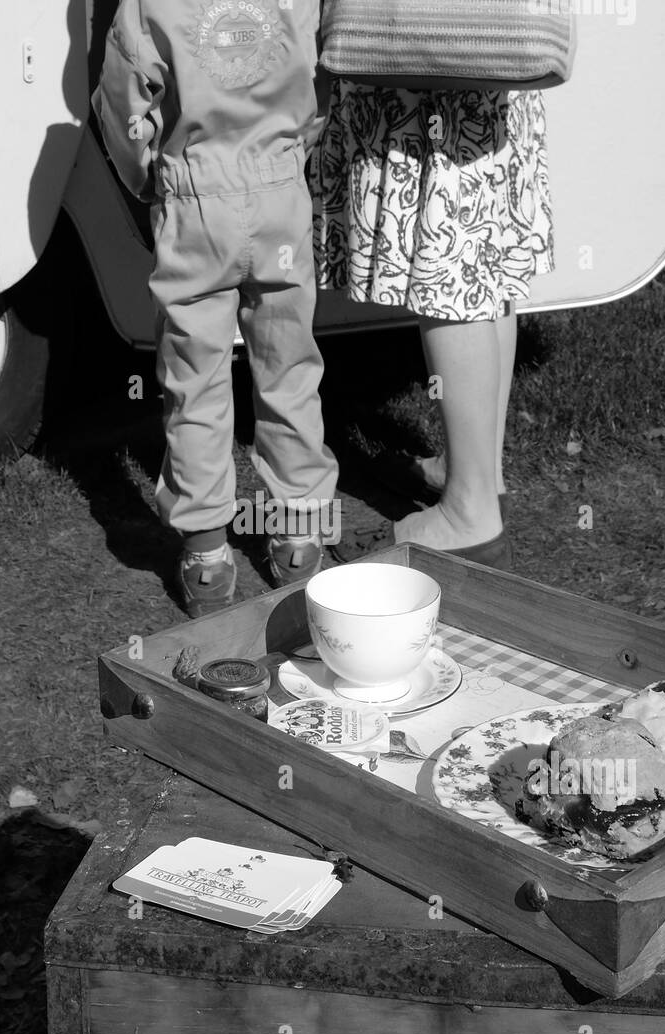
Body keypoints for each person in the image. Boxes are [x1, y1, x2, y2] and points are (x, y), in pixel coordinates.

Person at [93, 0, 338, 616]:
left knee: (194, 376)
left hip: (196, 197)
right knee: (290, 369)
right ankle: (301, 537)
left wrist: (151, 177)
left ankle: (206, 554)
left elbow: (123, 100)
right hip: (281, 192)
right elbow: (325, 76)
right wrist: (292, 155)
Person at [313, 82, 554, 566]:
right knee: (479, 240)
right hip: (490, 63)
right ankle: (479, 475)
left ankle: (468, 514)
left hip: (428, 69)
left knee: (448, 257)